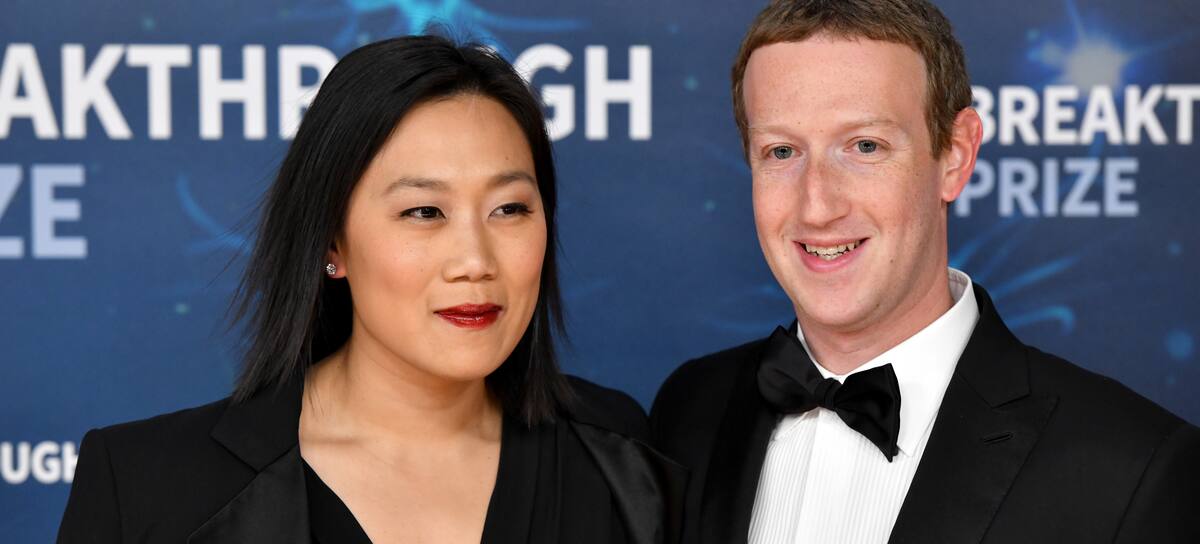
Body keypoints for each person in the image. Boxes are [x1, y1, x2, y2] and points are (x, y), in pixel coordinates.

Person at [58, 35, 683, 544]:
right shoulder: (147, 486)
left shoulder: (622, 458)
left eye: (510, 209)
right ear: (332, 243)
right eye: (424, 212)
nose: (474, 261)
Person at [650, 1, 1200, 542]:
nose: (816, 206)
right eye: (781, 151)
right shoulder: (689, 413)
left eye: (865, 146)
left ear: (955, 155)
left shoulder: (1132, 470)